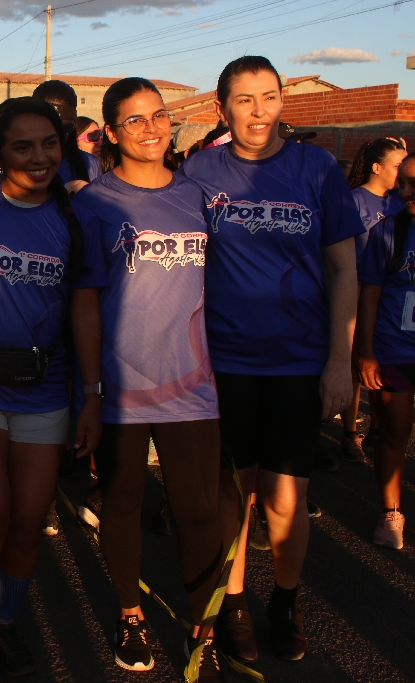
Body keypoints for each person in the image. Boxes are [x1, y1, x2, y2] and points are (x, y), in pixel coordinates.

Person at [181, 55, 363, 664]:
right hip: (224, 362)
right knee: (232, 492)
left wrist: (339, 361)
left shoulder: (317, 167)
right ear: (222, 108)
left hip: (297, 361)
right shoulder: (201, 171)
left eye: (269, 97)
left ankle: (285, 599)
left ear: (283, 101)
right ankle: (233, 603)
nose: (259, 112)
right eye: (244, 99)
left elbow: (343, 270)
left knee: (286, 496)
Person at [0, 96, 101, 682]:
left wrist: (92, 395)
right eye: (22, 146)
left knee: (29, 523)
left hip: (45, 388)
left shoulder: (75, 216)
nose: (39, 157)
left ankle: (2, 622)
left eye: (49, 144)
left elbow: (84, 310)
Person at [73, 78, 225, 680]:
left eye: (158, 115)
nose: (151, 128)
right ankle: (131, 614)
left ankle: (203, 630)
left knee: (198, 510)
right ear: (111, 133)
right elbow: (85, 304)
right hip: (120, 385)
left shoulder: (196, 196)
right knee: (123, 501)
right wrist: (90, 392)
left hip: (193, 382)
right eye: (133, 120)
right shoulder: (94, 203)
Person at [355, 152, 415, 549]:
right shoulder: (390, 230)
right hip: (396, 348)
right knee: (394, 432)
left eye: (414, 184)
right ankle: (390, 512)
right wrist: (366, 351)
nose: (405, 191)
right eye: (402, 182)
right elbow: (370, 293)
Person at [343, 138, 408, 461]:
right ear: (377, 167)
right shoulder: (354, 201)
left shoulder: (401, 202)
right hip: (357, 290)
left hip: (391, 297)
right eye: (398, 166)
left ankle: (378, 429)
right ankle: (349, 432)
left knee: (384, 365)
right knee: (356, 362)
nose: (403, 173)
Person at [30, 80, 101, 193]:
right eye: (46, 129)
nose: (55, 137)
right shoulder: (20, 160)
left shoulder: (90, 164)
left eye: (63, 129)